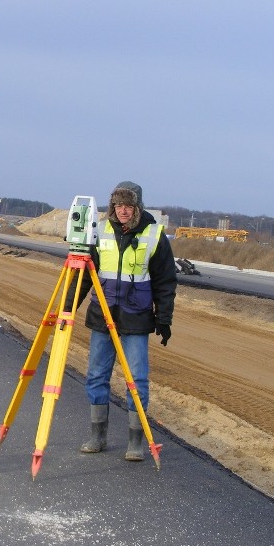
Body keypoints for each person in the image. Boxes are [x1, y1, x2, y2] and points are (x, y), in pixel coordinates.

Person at [66, 181, 177, 461]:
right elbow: (84, 276)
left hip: (136, 318)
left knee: (137, 380)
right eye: (118, 205)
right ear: (112, 206)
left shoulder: (154, 235)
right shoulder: (100, 231)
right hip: (103, 316)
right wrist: (68, 307)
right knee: (95, 376)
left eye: (128, 205)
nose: (123, 211)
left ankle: (135, 441)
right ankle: (97, 436)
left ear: (137, 206)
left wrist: (164, 319)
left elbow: (165, 281)